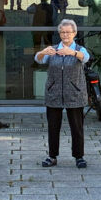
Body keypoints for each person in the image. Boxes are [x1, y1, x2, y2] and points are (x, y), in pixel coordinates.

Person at [34, 19, 90, 169]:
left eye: (68, 32)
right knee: (53, 127)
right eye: (62, 32)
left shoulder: (79, 49)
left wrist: (72, 52)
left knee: (77, 127)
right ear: (59, 33)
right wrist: (42, 52)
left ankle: (79, 156)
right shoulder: (52, 49)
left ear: (74, 33)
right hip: (54, 93)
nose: (65, 35)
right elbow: (38, 59)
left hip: (75, 93)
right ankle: (52, 156)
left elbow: (86, 58)